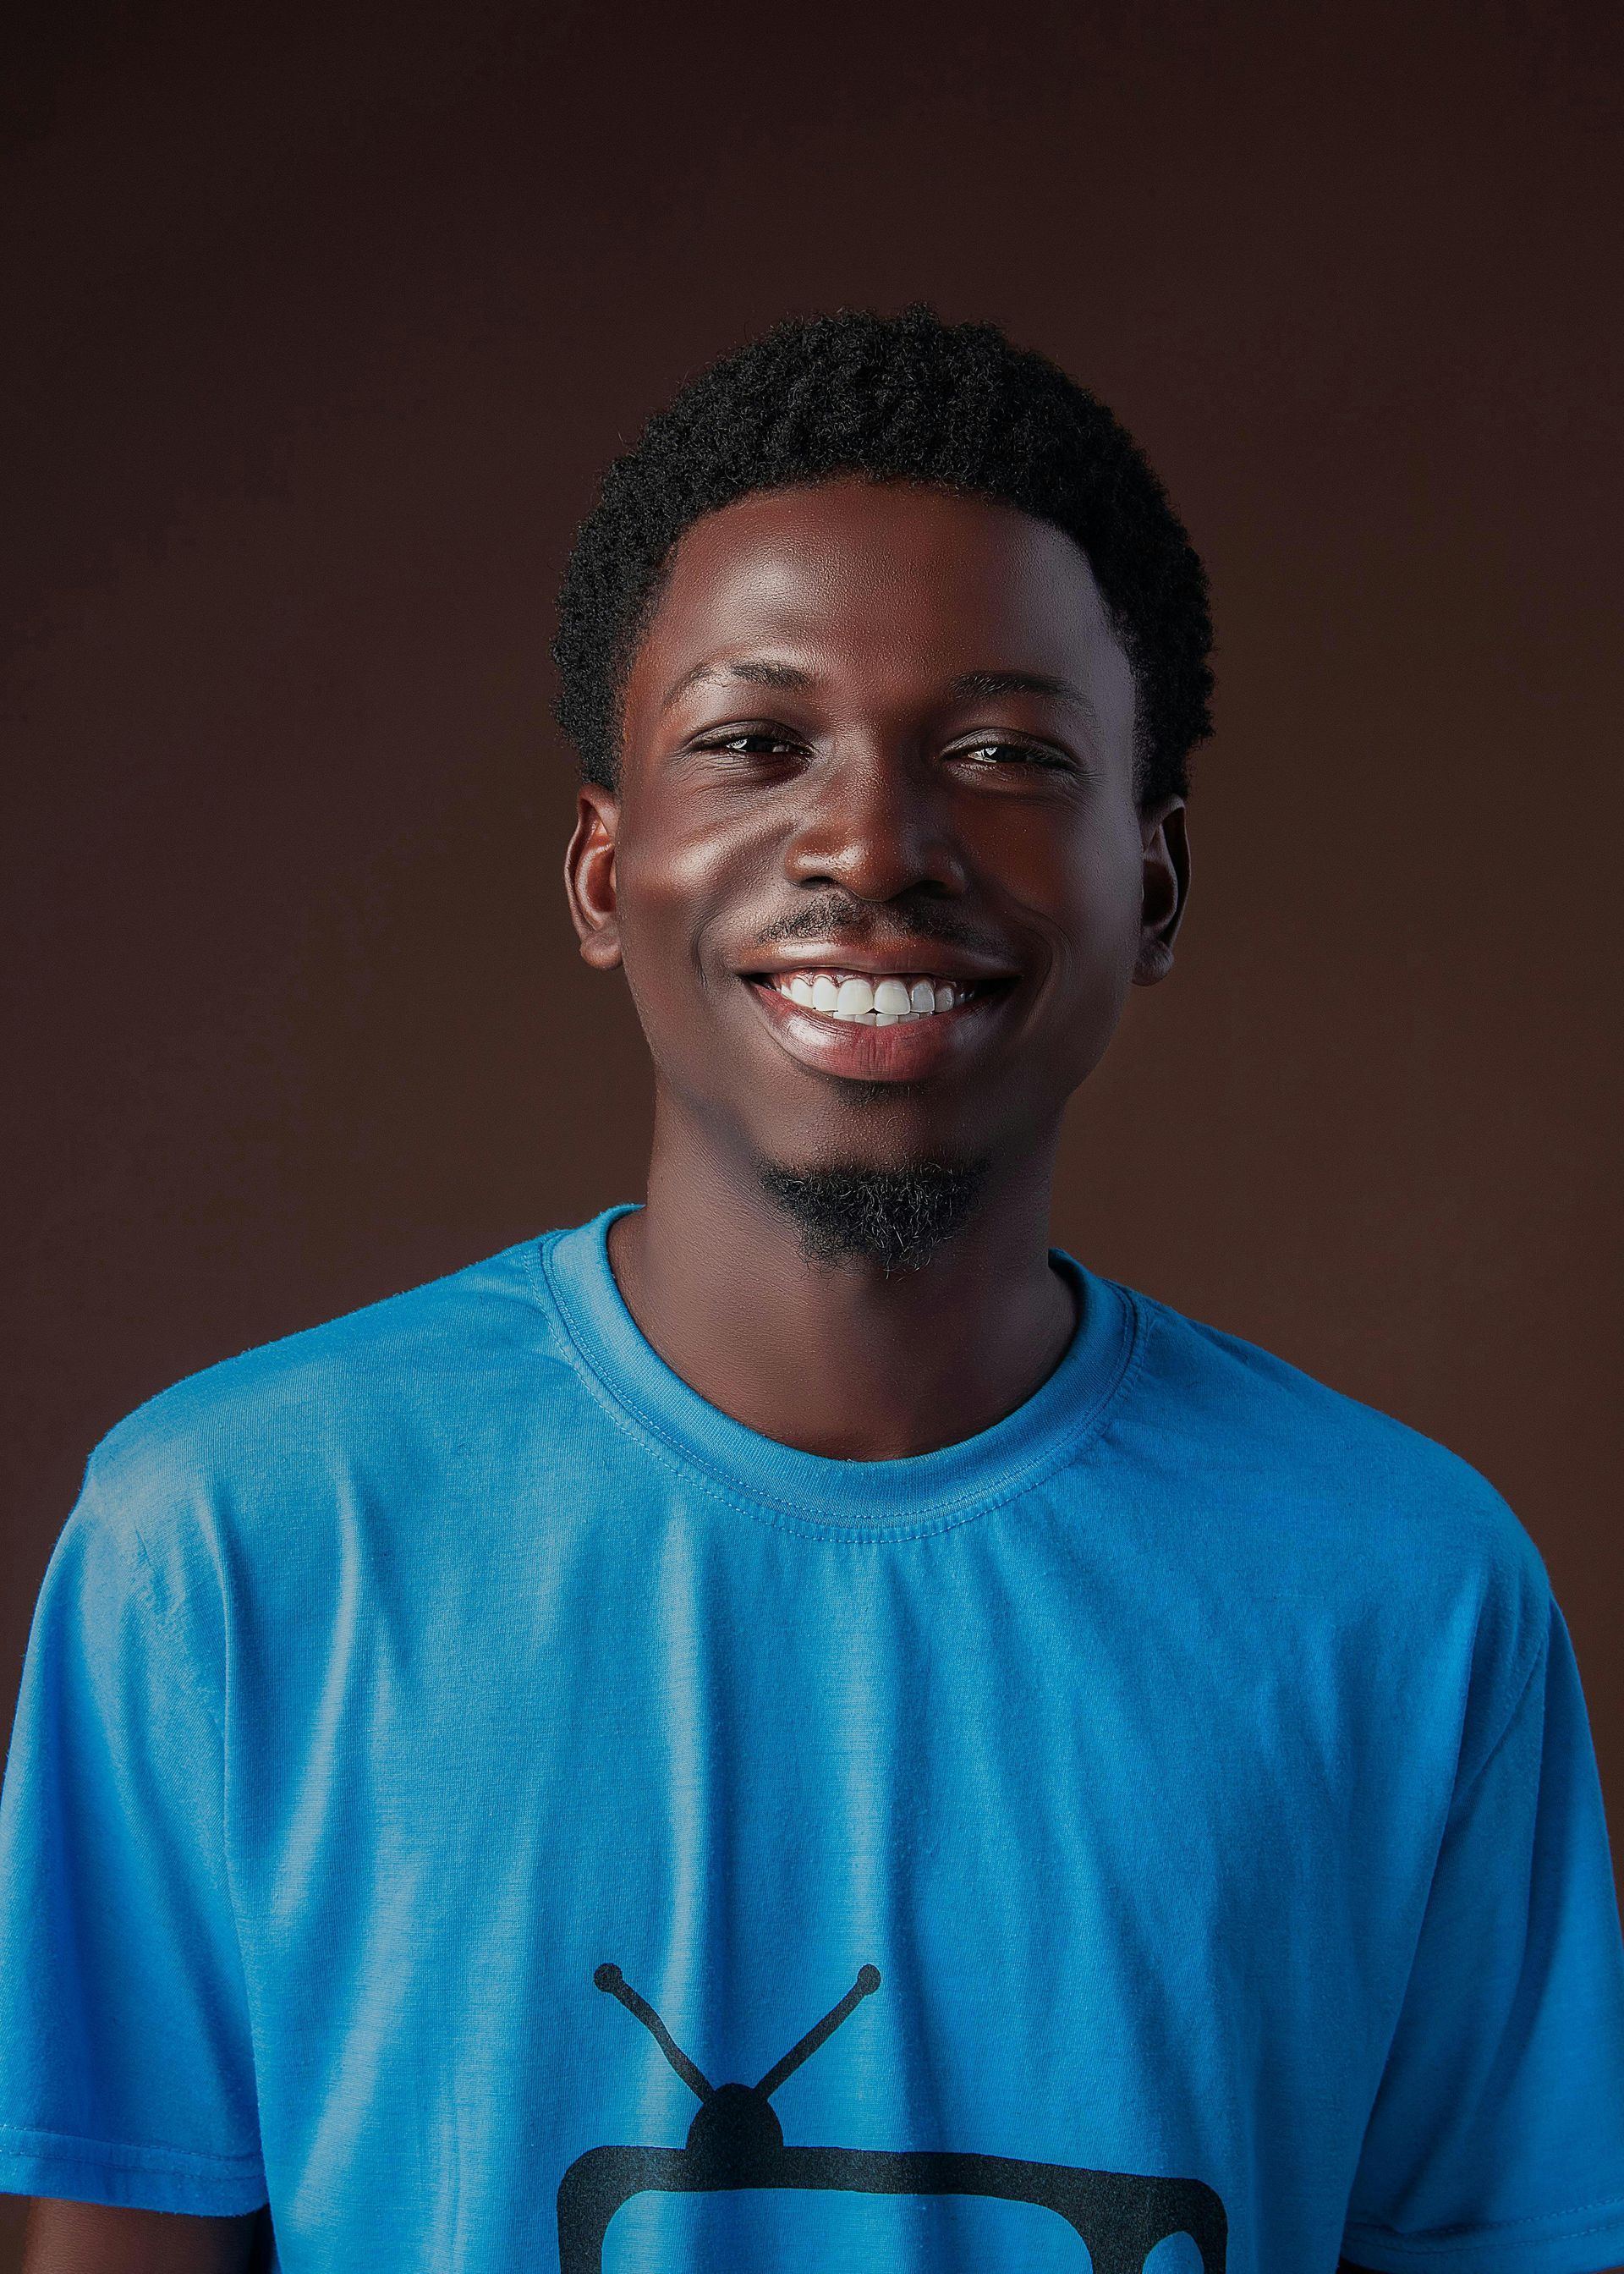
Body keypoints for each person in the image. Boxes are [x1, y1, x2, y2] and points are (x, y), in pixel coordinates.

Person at [3, 305, 1621, 2274]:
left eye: (1009, 751)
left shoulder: (1413, 1595)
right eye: (759, 744)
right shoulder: (230, 1549)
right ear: (606, 874)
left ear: (1156, 883)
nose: (873, 842)